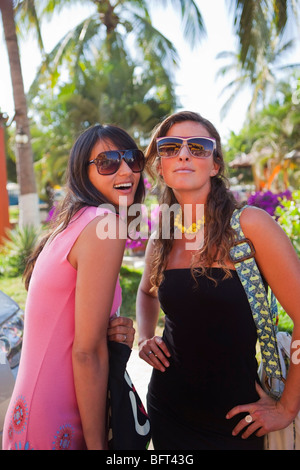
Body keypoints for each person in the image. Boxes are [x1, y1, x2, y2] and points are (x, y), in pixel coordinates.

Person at [136, 110, 300, 450]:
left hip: (237, 421)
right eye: (169, 147)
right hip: (167, 410)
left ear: (215, 165)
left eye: (198, 146)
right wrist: (144, 336)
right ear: (162, 166)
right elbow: (146, 293)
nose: (183, 153)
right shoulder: (162, 237)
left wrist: (287, 407)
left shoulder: (250, 225)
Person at [2, 124, 145, 450]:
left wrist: (111, 331)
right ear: (84, 173)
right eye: (108, 162)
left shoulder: (72, 223)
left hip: (31, 413)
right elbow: (86, 351)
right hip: (60, 419)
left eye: (132, 159)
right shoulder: (104, 224)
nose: (125, 169)